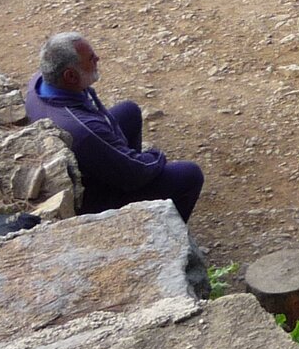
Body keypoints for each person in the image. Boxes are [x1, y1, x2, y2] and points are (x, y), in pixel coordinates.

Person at [24, 33, 203, 221]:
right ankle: (161, 226)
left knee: (129, 111)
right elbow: (138, 171)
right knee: (189, 175)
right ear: (70, 76)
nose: (98, 59)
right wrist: (156, 157)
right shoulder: (84, 130)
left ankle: (123, 166)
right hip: (93, 197)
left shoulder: (40, 82)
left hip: (82, 159)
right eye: (91, 59)